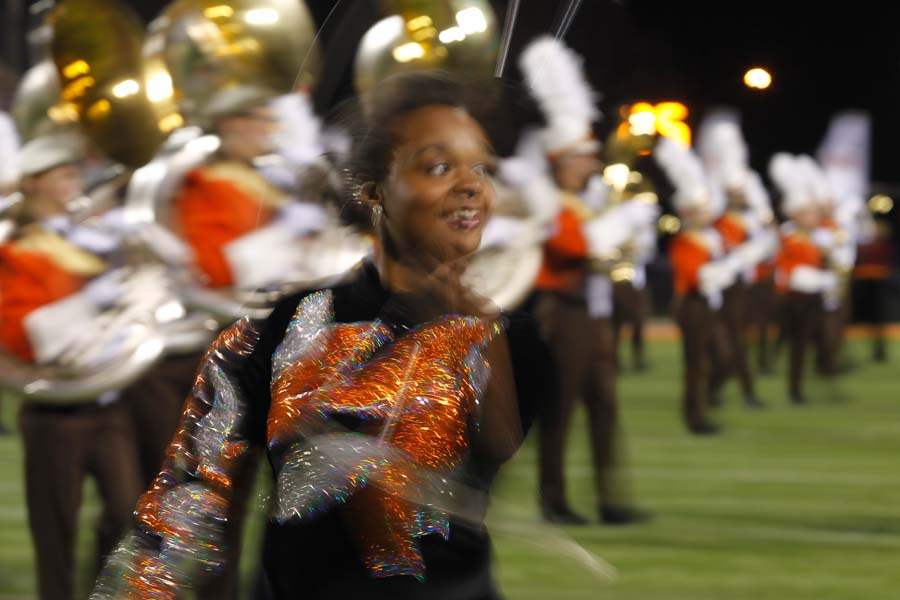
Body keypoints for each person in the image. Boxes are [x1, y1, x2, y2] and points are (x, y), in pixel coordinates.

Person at [93, 73, 548, 600]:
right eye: (439, 166)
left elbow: (491, 453)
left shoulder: (514, 338)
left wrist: (473, 319)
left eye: (483, 168)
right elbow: (185, 506)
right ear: (372, 189)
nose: (472, 186)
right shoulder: (274, 329)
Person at [0, 132, 143, 600]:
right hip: (55, 410)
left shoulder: (88, 238)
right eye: (63, 174)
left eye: (74, 172)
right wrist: (89, 299)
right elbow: (27, 333)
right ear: (36, 183)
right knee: (55, 536)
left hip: (108, 399)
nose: (74, 182)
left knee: (127, 513)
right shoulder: (18, 246)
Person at [518, 37, 651, 526]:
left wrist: (625, 235)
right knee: (562, 411)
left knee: (606, 408)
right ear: (561, 160)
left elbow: (605, 249)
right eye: (583, 157)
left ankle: (611, 499)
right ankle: (553, 500)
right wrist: (622, 223)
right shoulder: (548, 202)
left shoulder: (584, 203)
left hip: (594, 316)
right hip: (565, 314)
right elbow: (577, 248)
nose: (592, 165)